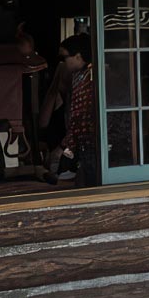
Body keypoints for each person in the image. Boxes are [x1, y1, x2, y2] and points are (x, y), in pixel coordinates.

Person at [58, 34, 97, 187]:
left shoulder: (90, 77)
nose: (62, 62)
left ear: (79, 56)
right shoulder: (78, 75)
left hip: (88, 140)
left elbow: (80, 115)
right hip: (81, 140)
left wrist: (69, 143)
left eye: (64, 57)